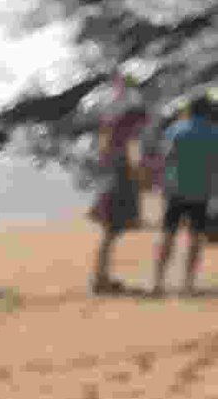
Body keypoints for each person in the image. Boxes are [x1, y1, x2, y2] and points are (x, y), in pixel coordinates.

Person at [154, 92, 218, 296]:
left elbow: (165, 158)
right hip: (201, 192)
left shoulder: (175, 130)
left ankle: (158, 283)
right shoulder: (214, 132)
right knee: (195, 238)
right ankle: (188, 285)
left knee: (168, 236)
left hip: (175, 191)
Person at [91, 84, 149, 294]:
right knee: (111, 234)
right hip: (120, 187)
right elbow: (134, 163)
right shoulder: (129, 135)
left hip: (109, 185)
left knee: (109, 235)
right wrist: (141, 179)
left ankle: (102, 277)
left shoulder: (111, 135)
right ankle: (100, 279)